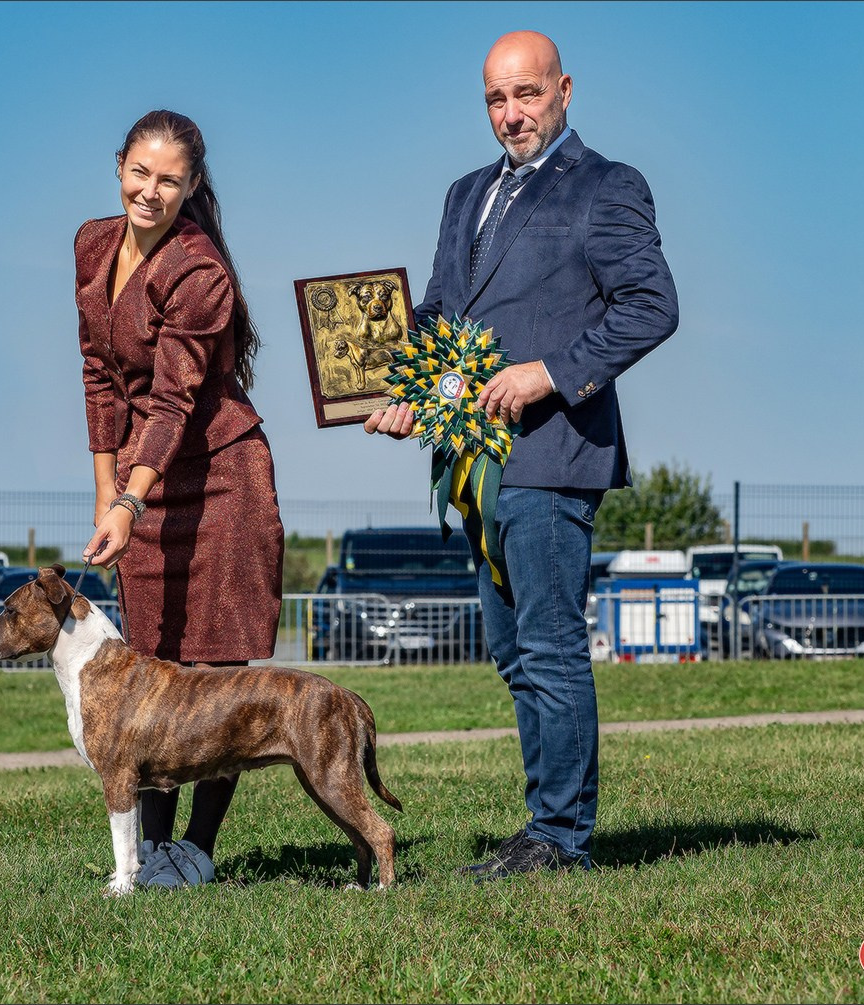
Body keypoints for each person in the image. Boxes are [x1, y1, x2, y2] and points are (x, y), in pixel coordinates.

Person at [366, 31, 678, 878]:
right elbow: (439, 316)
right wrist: (396, 390)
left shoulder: (608, 188)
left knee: (547, 644)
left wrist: (549, 372)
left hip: (552, 455)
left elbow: (652, 305)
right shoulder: (466, 193)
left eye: (527, 94)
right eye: (497, 100)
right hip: (475, 462)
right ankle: (546, 824)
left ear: (565, 90)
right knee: (511, 649)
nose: (512, 114)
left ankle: (561, 838)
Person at [75, 109, 284, 889]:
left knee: (214, 669)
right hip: (141, 483)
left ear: (193, 185)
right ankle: (153, 849)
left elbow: (170, 404)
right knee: (151, 665)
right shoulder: (91, 245)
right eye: (139, 172)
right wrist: (109, 494)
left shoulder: (200, 271)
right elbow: (100, 375)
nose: (150, 192)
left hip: (222, 476)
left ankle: (196, 848)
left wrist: (129, 499)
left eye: (169, 180)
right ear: (118, 165)